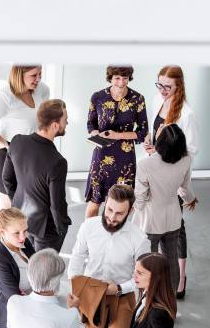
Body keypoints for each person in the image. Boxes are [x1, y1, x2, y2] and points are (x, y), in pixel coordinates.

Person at [67, 185, 150, 328]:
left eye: (119, 213)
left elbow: (144, 277)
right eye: (109, 210)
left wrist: (120, 288)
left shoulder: (139, 238)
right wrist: (76, 289)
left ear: (130, 212)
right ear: (105, 204)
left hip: (121, 295)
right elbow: (76, 258)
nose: (112, 217)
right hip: (90, 294)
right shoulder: (89, 227)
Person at [144, 65, 199, 298]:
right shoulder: (157, 99)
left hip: (172, 174)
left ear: (179, 86)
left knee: (177, 226)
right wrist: (151, 141)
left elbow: (192, 148)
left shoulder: (186, 114)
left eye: (168, 86)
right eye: (160, 84)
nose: (163, 90)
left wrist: (163, 151)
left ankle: (180, 276)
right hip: (155, 167)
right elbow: (154, 131)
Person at [133, 123, 197, 293]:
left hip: (150, 222)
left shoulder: (145, 165)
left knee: (147, 265)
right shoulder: (186, 160)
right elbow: (185, 188)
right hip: (173, 219)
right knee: (171, 263)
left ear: (160, 143)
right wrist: (191, 200)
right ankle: (170, 303)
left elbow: (139, 197)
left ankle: (146, 303)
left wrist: (132, 210)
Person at [0, 64, 49, 209]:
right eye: (34, 75)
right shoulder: (6, 96)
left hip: (29, 154)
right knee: (7, 207)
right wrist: (6, 145)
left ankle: (20, 232)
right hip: (4, 156)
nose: (38, 79)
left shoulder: (43, 90)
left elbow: (42, 120)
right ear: (19, 74)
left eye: (40, 73)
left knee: (25, 204)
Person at [2, 99, 71, 252]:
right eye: (65, 120)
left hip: (22, 219)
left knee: (33, 264)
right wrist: (62, 227)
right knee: (45, 272)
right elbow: (57, 204)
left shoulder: (17, 141)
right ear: (55, 125)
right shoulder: (57, 162)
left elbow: (7, 179)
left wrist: (17, 206)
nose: (67, 123)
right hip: (46, 229)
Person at [85, 65, 148, 218]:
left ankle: (116, 239)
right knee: (94, 202)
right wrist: (96, 135)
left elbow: (142, 132)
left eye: (124, 78)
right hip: (101, 155)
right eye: (117, 78)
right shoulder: (97, 97)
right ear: (110, 77)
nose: (120, 83)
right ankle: (88, 237)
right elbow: (90, 124)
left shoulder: (137, 99)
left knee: (120, 204)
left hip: (124, 159)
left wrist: (117, 135)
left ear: (129, 78)